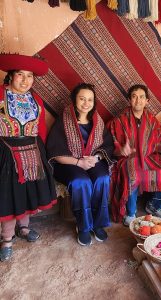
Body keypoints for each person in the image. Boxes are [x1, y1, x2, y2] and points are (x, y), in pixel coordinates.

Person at [0, 54, 57, 261]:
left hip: (33, 151)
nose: (25, 81)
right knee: (7, 195)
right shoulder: (0, 95)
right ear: (10, 76)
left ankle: (24, 228)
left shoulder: (36, 99)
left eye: (30, 76)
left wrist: (43, 155)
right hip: (6, 153)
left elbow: (40, 128)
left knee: (27, 191)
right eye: (20, 75)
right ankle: (7, 238)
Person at [47, 83, 114, 246]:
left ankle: (98, 223)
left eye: (90, 100)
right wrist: (78, 162)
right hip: (69, 163)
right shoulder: (64, 120)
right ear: (74, 100)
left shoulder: (97, 121)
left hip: (91, 160)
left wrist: (96, 159)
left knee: (103, 178)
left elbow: (106, 145)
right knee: (81, 182)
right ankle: (83, 226)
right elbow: (55, 151)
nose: (86, 103)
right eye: (82, 99)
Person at [108, 84, 161, 225]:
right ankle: (130, 213)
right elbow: (113, 145)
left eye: (142, 97)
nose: (138, 100)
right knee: (133, 173)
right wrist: (120, 150)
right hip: (129, 158)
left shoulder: (152, 120)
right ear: (129, 100)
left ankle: (154, 205)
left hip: (150, 157)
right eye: (134, 97)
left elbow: (157, 144)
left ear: (147, 101)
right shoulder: (119, 121)